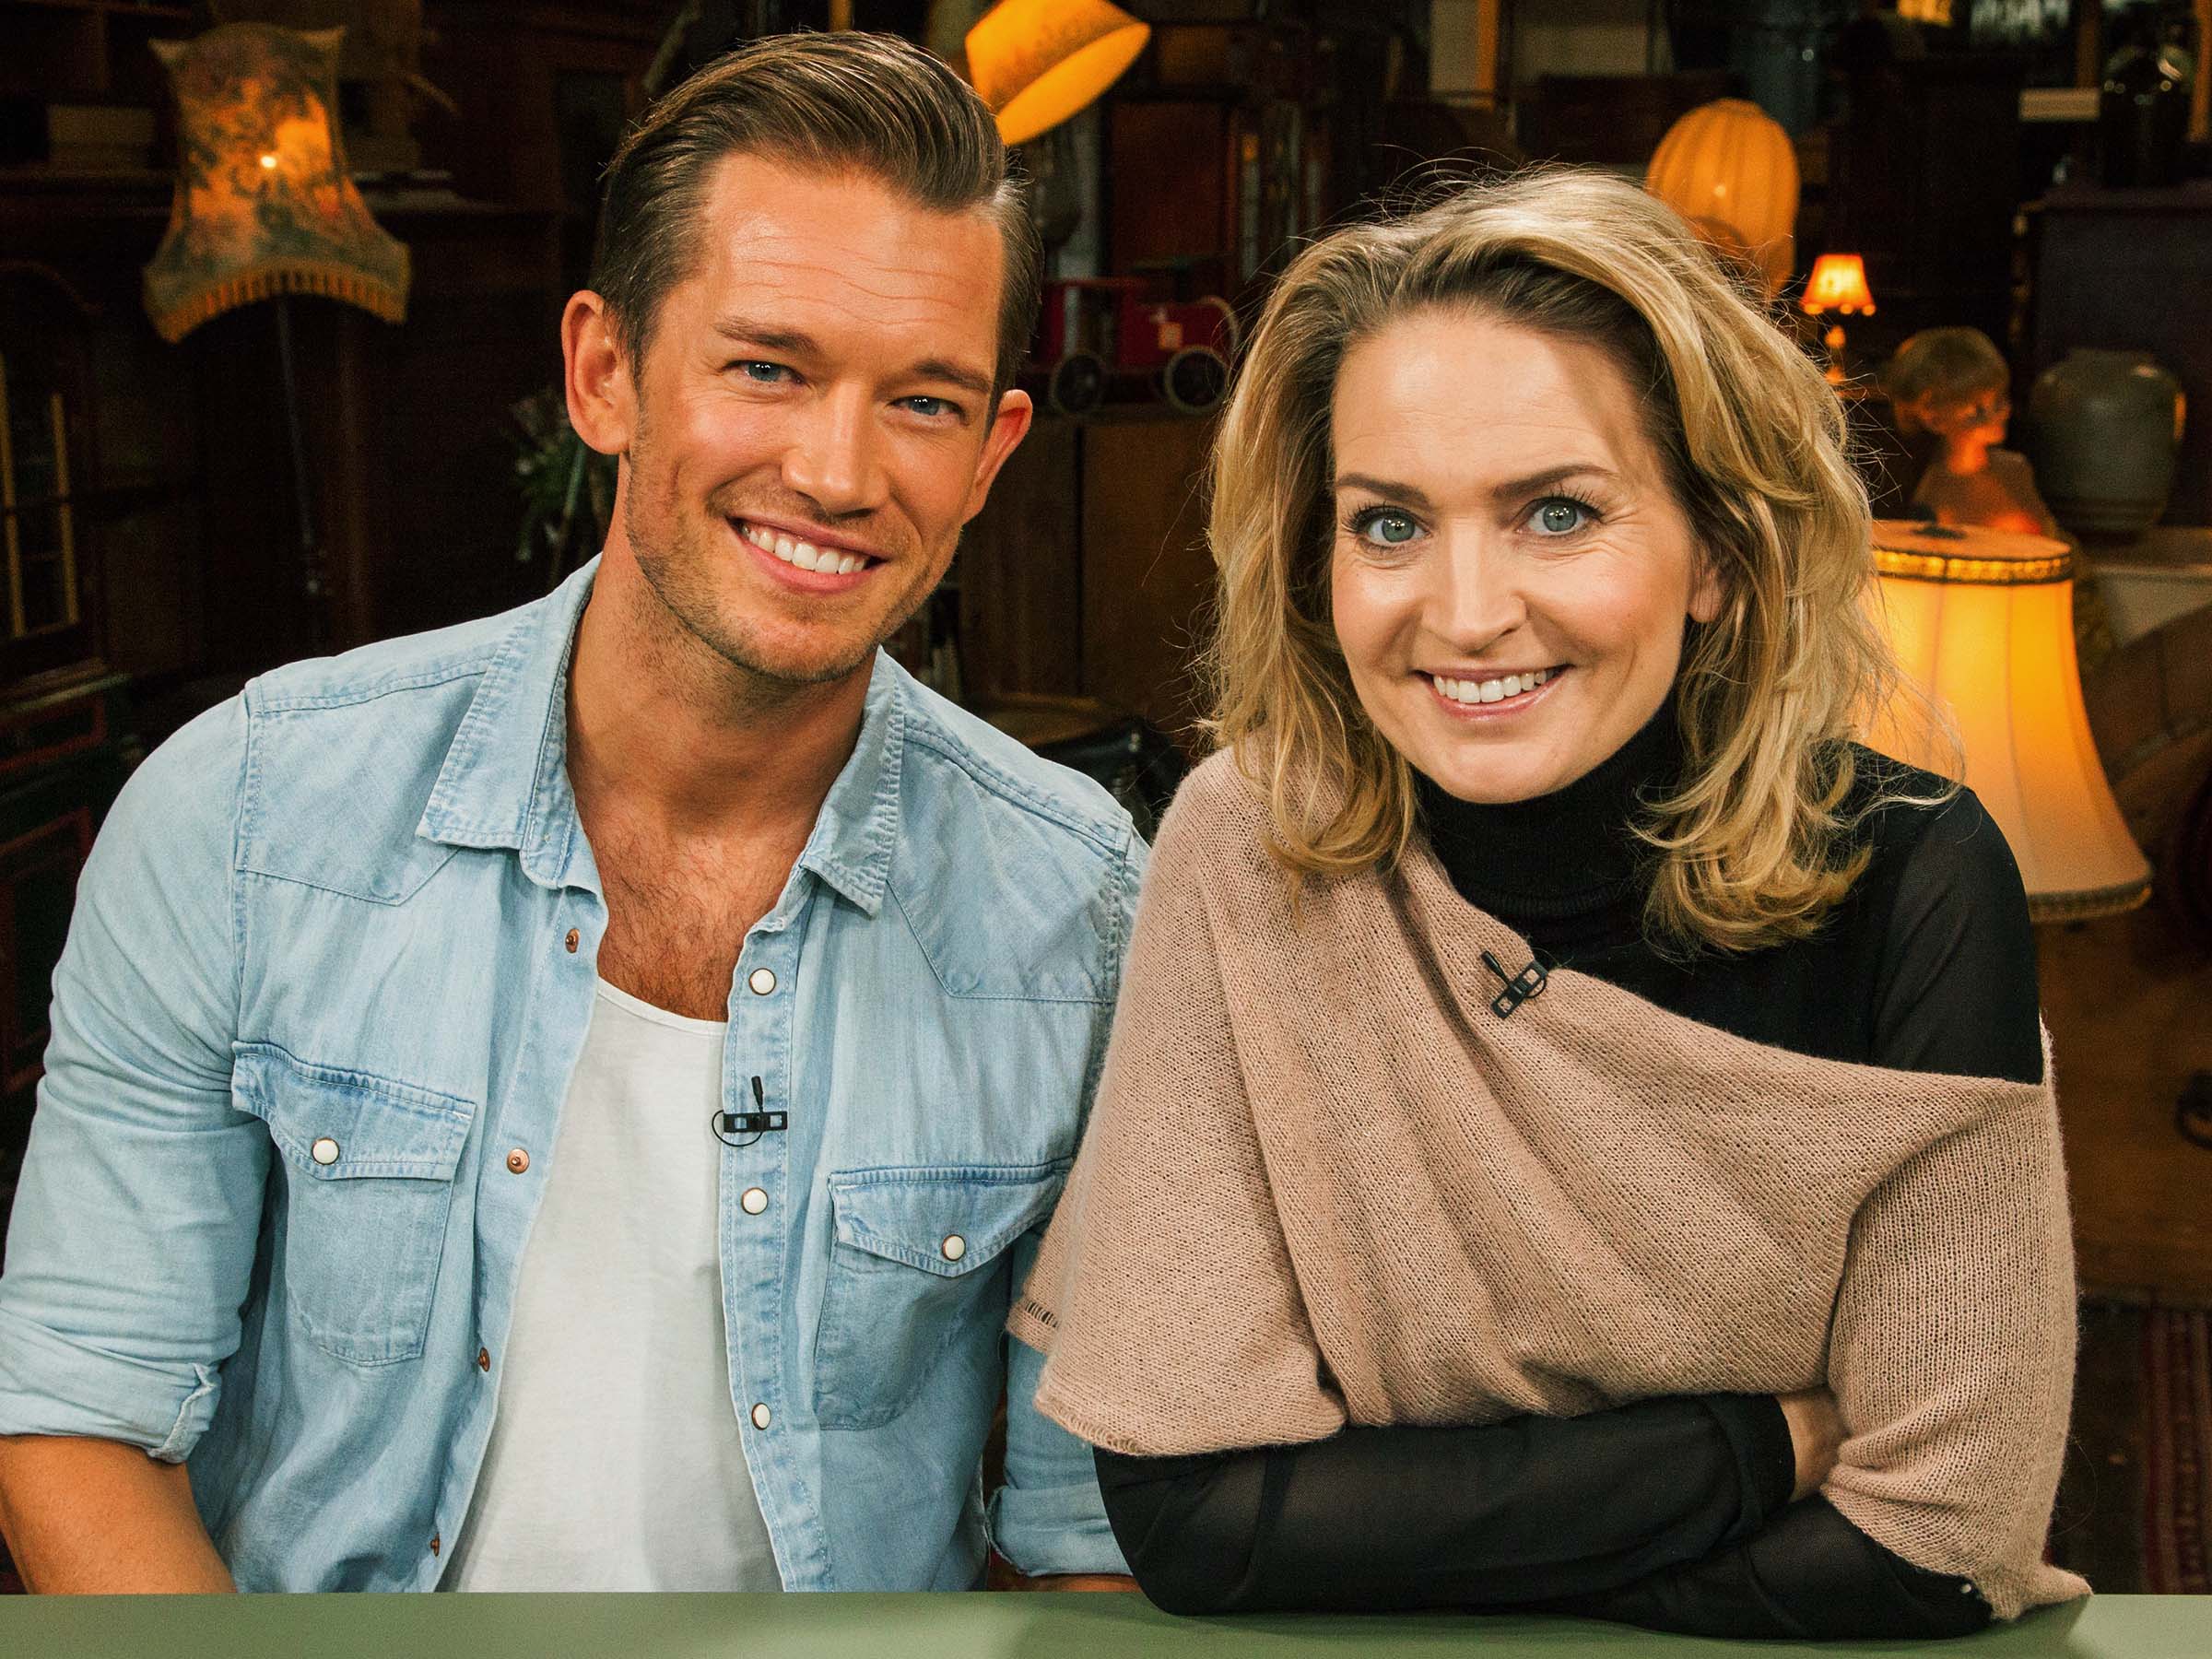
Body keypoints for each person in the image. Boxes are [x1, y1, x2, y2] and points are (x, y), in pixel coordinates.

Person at [0, 33, 1139, 1594]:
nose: (837, 470)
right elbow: (78, 1414)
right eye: (768, 367)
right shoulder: (247, 818)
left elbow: (1090, 1543)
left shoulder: (1084, 916)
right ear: (605, 373)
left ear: (993, 452)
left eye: (924, 402)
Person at [1010, 169, 2087, 1639]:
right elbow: (1198, 1521)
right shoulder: (1253, 847)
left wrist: (1388, 1534)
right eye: (1389, 525)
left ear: (1721, 551)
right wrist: (1757, 1449)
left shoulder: (1916, 878)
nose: (1464, 614)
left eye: (1558, 513)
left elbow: (1935, 1549)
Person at [1882, 326, 2060, 537]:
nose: (2001, 413)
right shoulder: (1926, 486)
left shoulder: (2015, 470)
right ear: (1933, 417)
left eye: (2000, 399)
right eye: (1977, 409)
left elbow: (2050, 536)